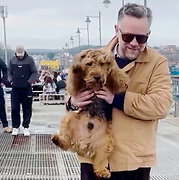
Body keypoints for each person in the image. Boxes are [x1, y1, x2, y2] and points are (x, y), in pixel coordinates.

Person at [66, 3, 172, 180]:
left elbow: (161, 105)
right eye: (128, 36)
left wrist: (117, 99)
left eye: (141, 38)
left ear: (148, 35)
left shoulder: (157, 63)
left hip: (132, 160)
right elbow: (71, 89)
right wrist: (72, 101)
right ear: (116, 30)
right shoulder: (93, 57)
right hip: (92, 154)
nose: (134, 43)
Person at [8, 45, 38, 136]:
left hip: (26, 88)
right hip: (15, 89)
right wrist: (11, 81)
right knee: (14, 108)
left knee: (27, 108)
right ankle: (15, 127)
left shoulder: (30, 60)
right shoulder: (12, 60)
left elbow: (34, 72)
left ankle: (26, 126)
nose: (20, 56)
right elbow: (9, 72)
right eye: (18, 54)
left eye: (21, 54)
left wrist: (29, 82)